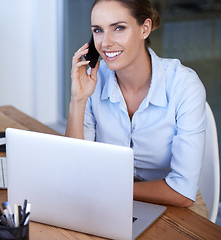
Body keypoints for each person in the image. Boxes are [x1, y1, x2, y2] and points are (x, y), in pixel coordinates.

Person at [65, 0, 208, 218]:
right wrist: (78, 100)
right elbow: (74, 168)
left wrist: (108, 189)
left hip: (171, 204)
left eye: (119, 28)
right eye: (98, 30)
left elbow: (182, 192)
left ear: (145, 28)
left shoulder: (184, 86)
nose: (105, 43)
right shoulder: (94, 79)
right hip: (106, 197)